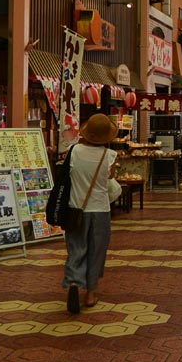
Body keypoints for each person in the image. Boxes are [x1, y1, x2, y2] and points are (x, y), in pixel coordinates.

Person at [63, 113, 119, 313]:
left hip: (76, 208)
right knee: (96, 251)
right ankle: (91, 294)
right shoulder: (109, 156)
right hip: (100, 210)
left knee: (76, 247)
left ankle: (74, 283)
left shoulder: (74, 151)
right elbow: (110, 179)